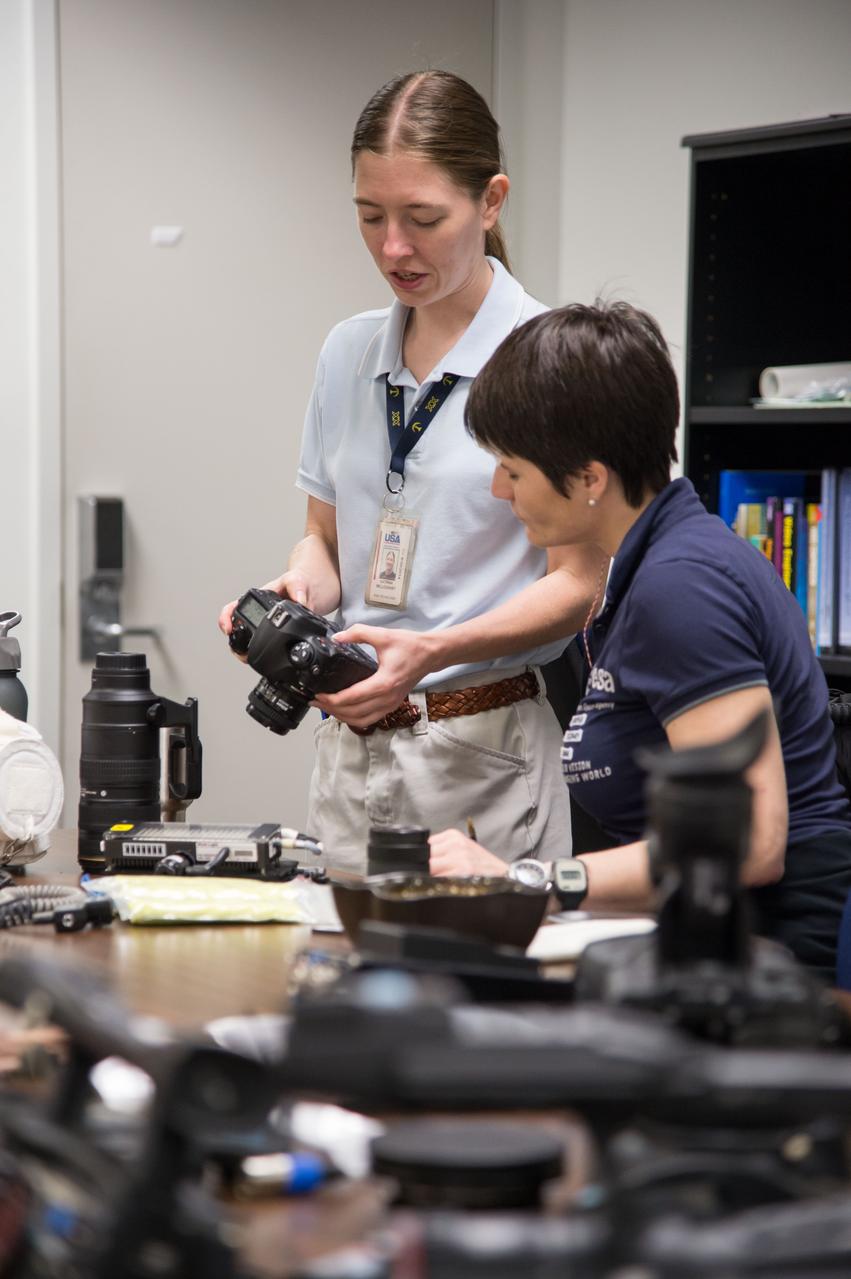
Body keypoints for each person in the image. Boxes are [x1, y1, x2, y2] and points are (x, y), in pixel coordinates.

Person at [219, 71, 603, 871]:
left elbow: (581, 583)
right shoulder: (347, 351)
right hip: (351, 752)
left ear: (490, 201)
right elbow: (322, 538)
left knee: (483, 992)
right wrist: (301, 591)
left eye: (422, 218)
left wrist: (428, 651)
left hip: (484, 753)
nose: (393, 247)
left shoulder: (549, 359)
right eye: (370, 216)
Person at [430, 300, 851, 980]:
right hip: (714, 935)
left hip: (778, 959)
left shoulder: (678, 589)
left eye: (512, 468)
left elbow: (746, 841)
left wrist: (528, 879)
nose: (497, 489)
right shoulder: (645, 565)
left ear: (590, 479)